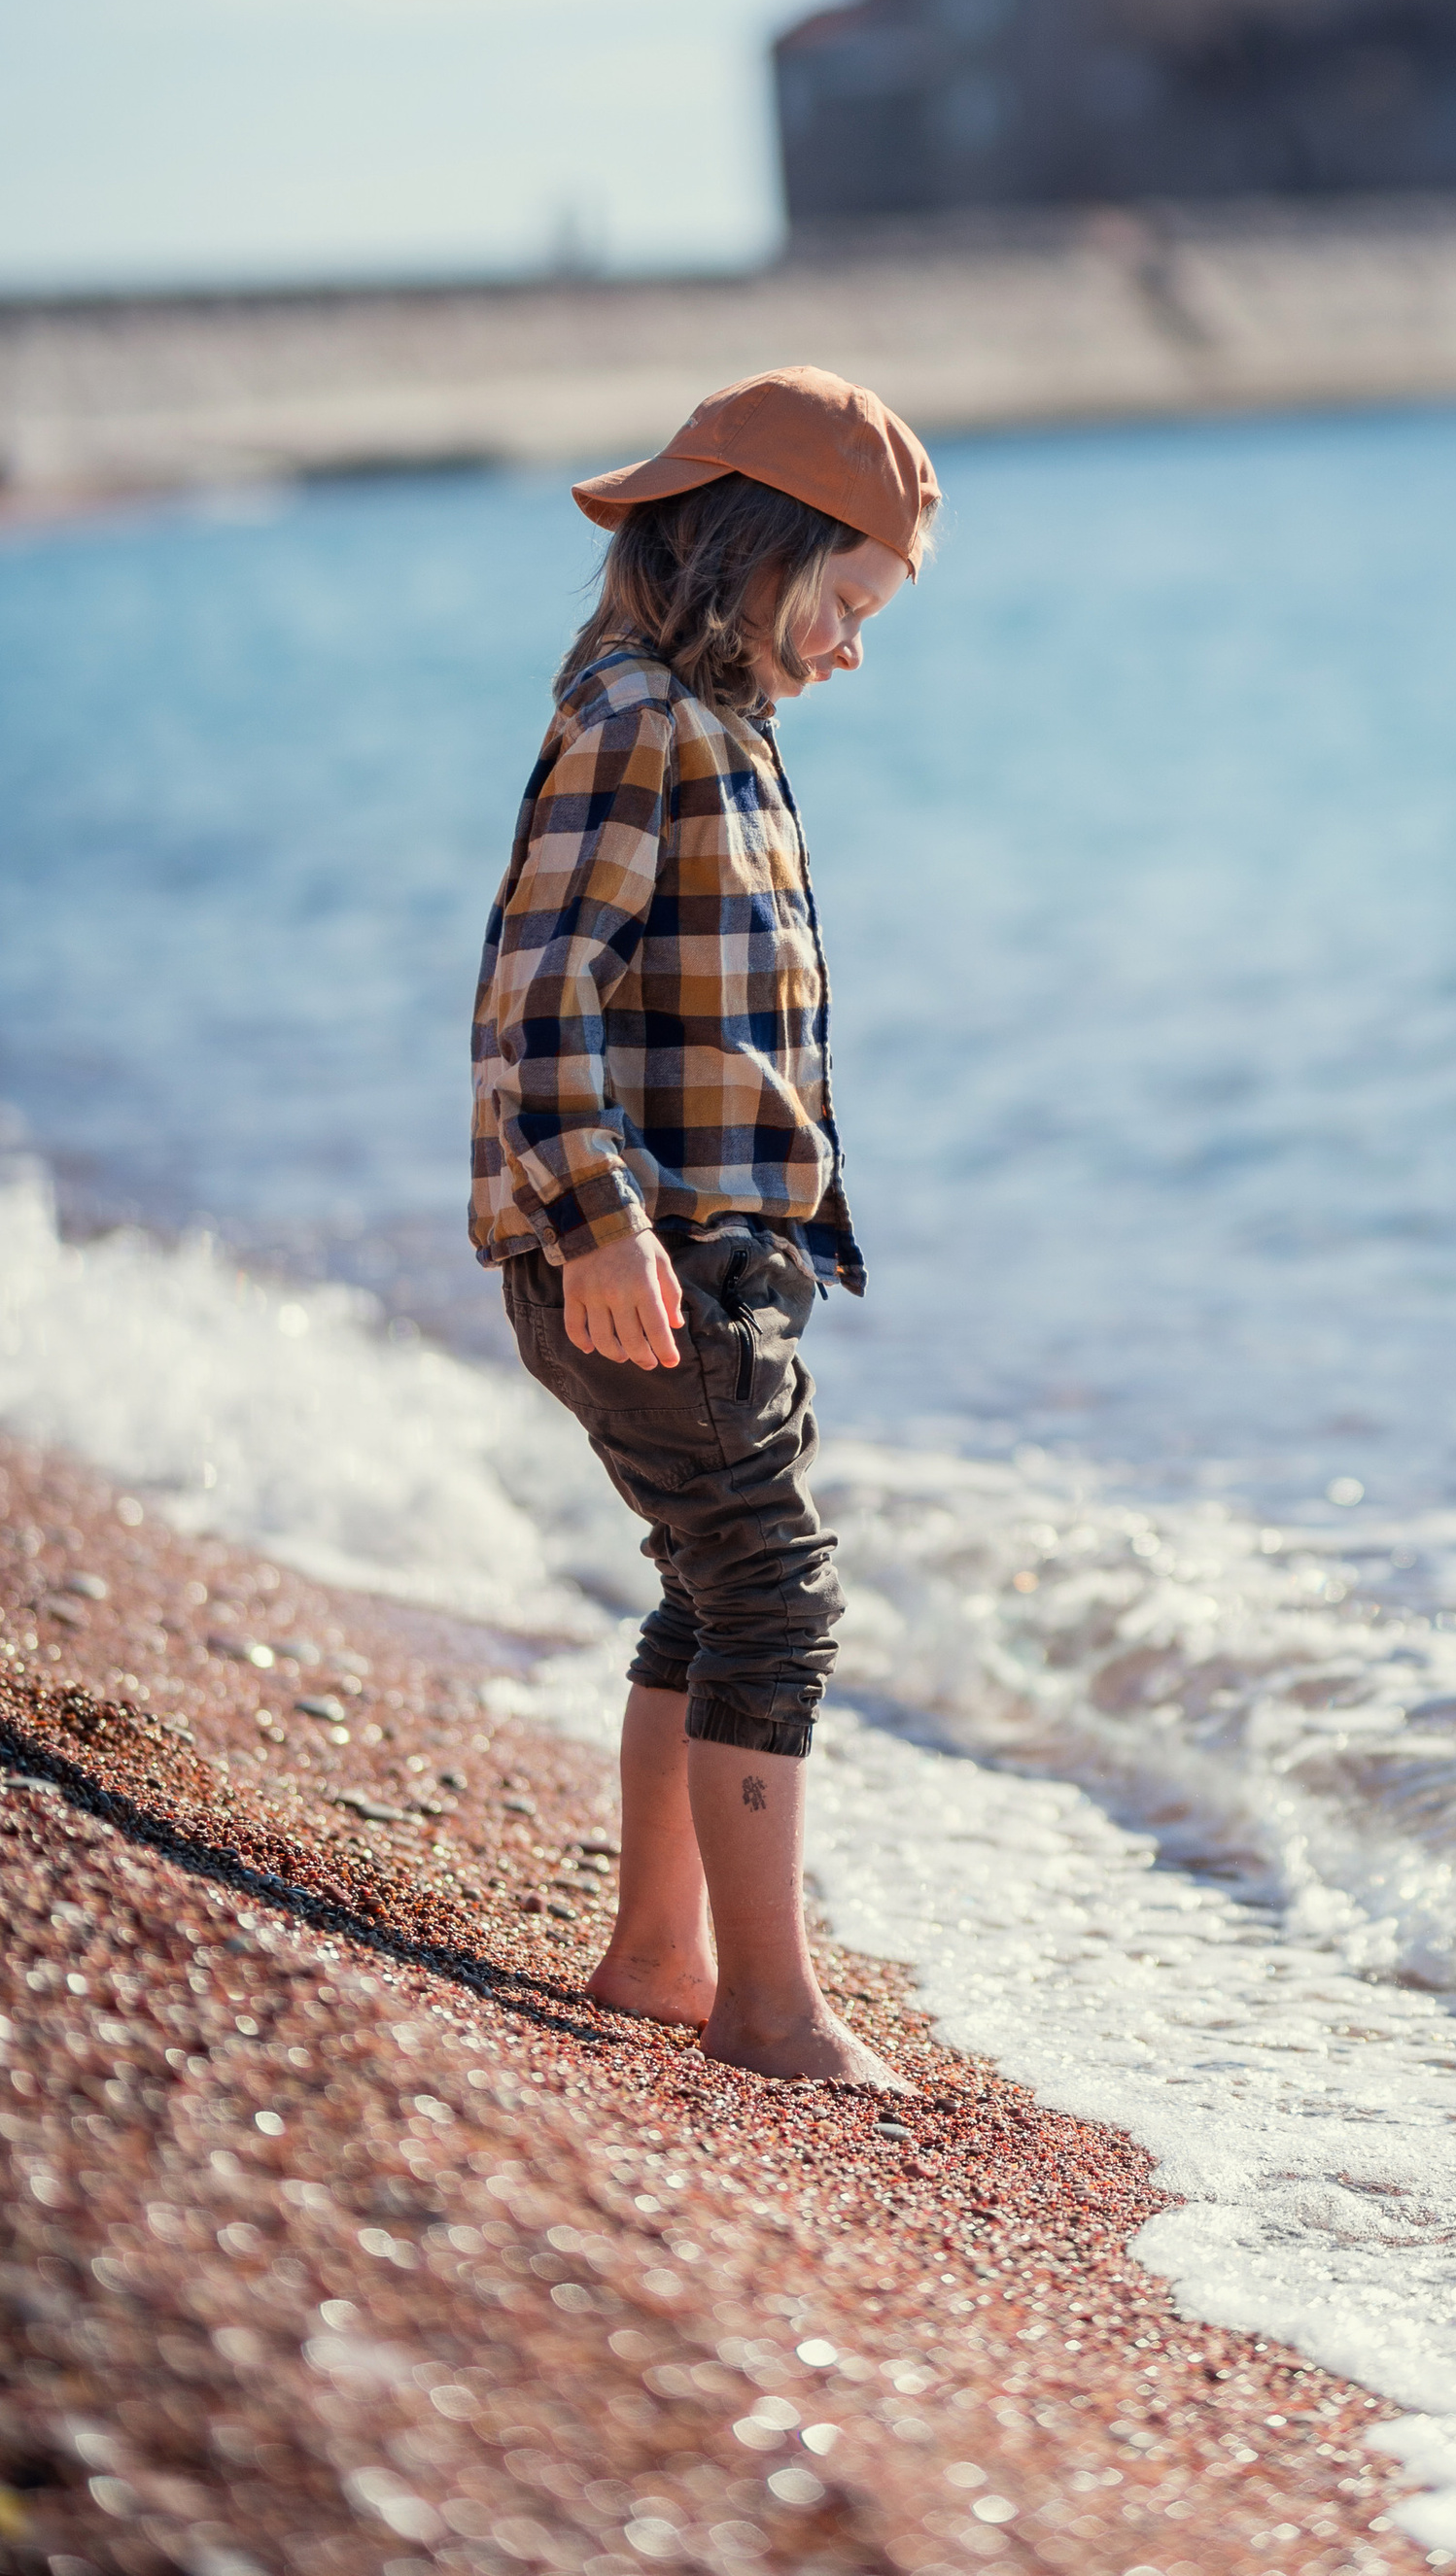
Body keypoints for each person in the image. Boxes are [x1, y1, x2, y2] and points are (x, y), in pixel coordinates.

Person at [468, 364, 937, 2085]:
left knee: (703, 1584)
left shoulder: (722, 724)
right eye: (848, 601)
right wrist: (598, 1225)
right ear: (757, 545)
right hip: (635, 1246)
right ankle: (769, 2009)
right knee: (777, 1599)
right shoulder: (638, 718)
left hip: (717, 1254)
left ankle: (657, 1953)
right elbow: (536, 995)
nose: (854, 647)